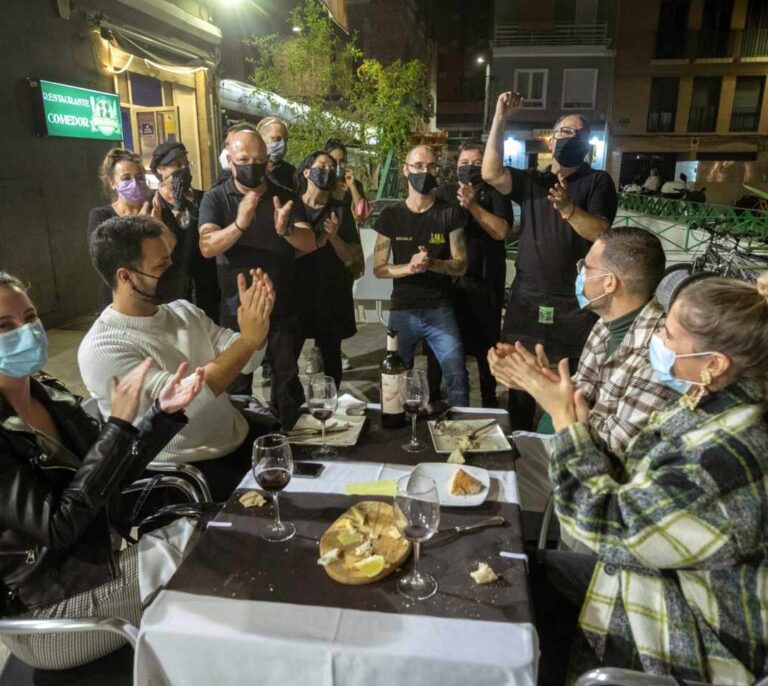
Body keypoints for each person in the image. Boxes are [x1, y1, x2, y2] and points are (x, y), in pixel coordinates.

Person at [501, 273, 768, 683]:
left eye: (668, 333)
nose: (656, 340)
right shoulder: (715, 401)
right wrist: (576, 420)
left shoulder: (726, 455)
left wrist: (565, 422)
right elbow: (638, 483)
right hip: (650, 571)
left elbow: (600, 523)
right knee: (510, 571)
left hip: (690, 631)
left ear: (714, 363)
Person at [0, 271, 201, 669]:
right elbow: (58, 526)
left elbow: (105, 477)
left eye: (30, 317)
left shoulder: (48, 393)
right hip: (48, 614)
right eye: (5, 326)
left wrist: (157, 416)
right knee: (206, 551)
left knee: (212, 528)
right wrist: (117, 428)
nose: (27, 331)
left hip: (92, 571)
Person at [79, 215, 274, 501]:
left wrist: (258, 325)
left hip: (239, 440)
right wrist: (248, 339)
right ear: (125, 276)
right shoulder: (103, 347)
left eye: (169, 259)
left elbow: (247, 361)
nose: (172, 270)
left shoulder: (182, 311)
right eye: (160, 266)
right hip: (187, 470)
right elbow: (186, 400)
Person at [489, 227, 678, 511]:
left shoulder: (661, 354)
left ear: (610, 283)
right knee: (485, 453)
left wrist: (541, 390)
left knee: (487, 485)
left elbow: (611, 453)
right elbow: (580, 392)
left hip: (603, 488)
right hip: (569, 448)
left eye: (586, 267)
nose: (580, 274)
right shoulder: (605, 326)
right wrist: (533, 376)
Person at [482, 92, 618, 429]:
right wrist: (500, 118)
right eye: (564, 131)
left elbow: (599, 232)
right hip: (527, 299)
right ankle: (521, 450)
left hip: (573, 303)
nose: (571, 137)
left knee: (570, 384)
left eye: (579, 133)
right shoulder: (534, 180)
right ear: (551, 139)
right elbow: (490, 172)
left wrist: (568, 209)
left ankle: (567, 449)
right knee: (522, 384)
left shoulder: (597, 181)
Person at [198, 129, 315, 426]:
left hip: (282, 306)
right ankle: (242, 446)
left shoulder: (285, 197)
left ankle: (291, 440)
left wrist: (286, 229)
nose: (252, 165)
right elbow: (207, 246)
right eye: (244, 159)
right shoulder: (216, 198)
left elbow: (309, 242)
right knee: (236, 382)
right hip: (236, 311)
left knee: (286, 379)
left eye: (259, 159)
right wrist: (240, 223)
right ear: (230, 159)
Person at [374, 145, 469, 407]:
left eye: (430, 167)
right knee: (395, 379)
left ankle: (461, 430)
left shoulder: (450, 212)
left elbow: (460, 265)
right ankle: (396, 432)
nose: (424, 172)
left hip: (439, 306)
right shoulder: (391, 216)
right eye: (418, 166)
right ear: (405, 169)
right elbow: (379, 268)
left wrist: (432, 263)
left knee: (457, 374)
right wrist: (409, 267)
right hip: (403, 308)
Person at [427, 142, 513, 408]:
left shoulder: (497, 192)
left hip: (485, 284)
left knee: (486, 346)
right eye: (464, 163)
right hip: (448, 285)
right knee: (440, 345)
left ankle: (489, 399)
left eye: (476, 164)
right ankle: (432, 395)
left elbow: (501, 232)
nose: (469, 168)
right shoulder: (442, 194)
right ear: (455, 167)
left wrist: (474, 206)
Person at [292, 152, 363, 388]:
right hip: (297, 293)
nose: (326, 171)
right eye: (321, 166)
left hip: (331, 293)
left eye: (331, 168)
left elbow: (353, 260)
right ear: (306, 172)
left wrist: (333, 237)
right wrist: (320, 238)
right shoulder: (292, 206)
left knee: (331, 358)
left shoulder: (339, 210)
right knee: (287, 358)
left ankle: (331, 407)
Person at [87, 148, 174, 309]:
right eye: (126, 178)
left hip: (158, 295)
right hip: (119, 300)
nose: (134, 183)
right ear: (112, 182)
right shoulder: (101, 216)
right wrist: (141, 223)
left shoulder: (157, 208)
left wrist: (157, 224)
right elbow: (109, 260)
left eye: (139, 177)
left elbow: (171, 248)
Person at [151, 141, 221, 323]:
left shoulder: (205, 198)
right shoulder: (152, 203)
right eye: (176, 165)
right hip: (171, 289)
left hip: (206, 284)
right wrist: (175, 208)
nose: (183, 168)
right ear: (161, 170)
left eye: (185, 164)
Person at [324, 138, 372, 223]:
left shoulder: (355, 184)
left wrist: (352, 187)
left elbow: (364, 215)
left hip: (349, 234)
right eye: (334, 161)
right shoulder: (322, 184)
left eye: (342, 161)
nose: (338, 165)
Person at [257, 116, 295, 191]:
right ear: (261, 139)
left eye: (285, 140)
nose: (282, 144)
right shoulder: (249, 167)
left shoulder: (291, 173)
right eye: (276, 139)